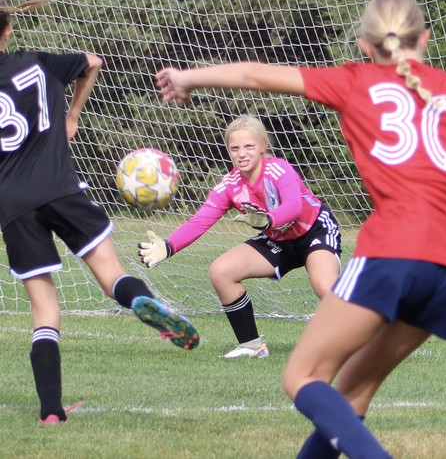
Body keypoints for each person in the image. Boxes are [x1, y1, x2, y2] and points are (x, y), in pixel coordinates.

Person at [153, 0, 446, 457]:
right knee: (352, 393)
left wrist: (187, 76)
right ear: (425, 38)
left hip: (397, 250)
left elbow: (256, 74)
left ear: (364, 45)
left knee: (301, 377)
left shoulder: (356, 80)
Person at [0, 0, 198, 426]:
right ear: (8, 31)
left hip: (12, 204)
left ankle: (51, 412)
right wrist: (72, 115)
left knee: (45, 313)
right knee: (111, 275)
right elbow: (93, 62)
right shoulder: (37, 62)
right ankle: (144, 302)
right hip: (60, 188)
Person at [138, 114, 341, 359]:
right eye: (235, 148)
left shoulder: (279, 169)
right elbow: (200, 221)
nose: (241, 154)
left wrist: (268, 220)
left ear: (263, 146)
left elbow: (293, 207)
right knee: (221, 271)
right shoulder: (230, 185)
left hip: (315, 231)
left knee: (324, 286)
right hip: (278, 240)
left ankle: (362, 336)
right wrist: (169, 246)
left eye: (249, 147)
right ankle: (252, 346)